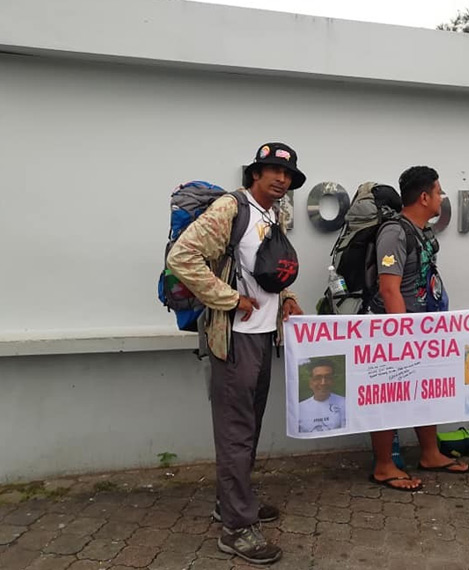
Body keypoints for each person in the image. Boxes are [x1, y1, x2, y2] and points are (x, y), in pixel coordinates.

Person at [167, 142, 305, 564]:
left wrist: (286, 299)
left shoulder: (272, 214)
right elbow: (183, 257)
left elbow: (265, 271)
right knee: (236, 432)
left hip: (263, 336)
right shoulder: (232, 208)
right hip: (234, 339)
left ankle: (231, 503)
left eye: (287, 174)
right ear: (255, 173)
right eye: (273, 171)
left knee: (249, 426)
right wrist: (229, 299)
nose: (281, 179)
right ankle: (237, 529)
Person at [368, 165, 469, 491]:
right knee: (389, 396)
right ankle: (384, 466)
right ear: (424, 197)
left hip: (424, 329)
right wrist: (402, 336)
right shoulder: (394, 233)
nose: (441, 197)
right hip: (398, 331)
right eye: (438, 192)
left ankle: (430, 454)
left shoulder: (422, 232)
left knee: (426, 389)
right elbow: (389, 289)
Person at [298, 358, 346, 433]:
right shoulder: (299, 408)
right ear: (311, 383)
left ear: (332, 381)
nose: (323, 383)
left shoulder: (345, 403)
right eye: (318, 378)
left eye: (328, 377)